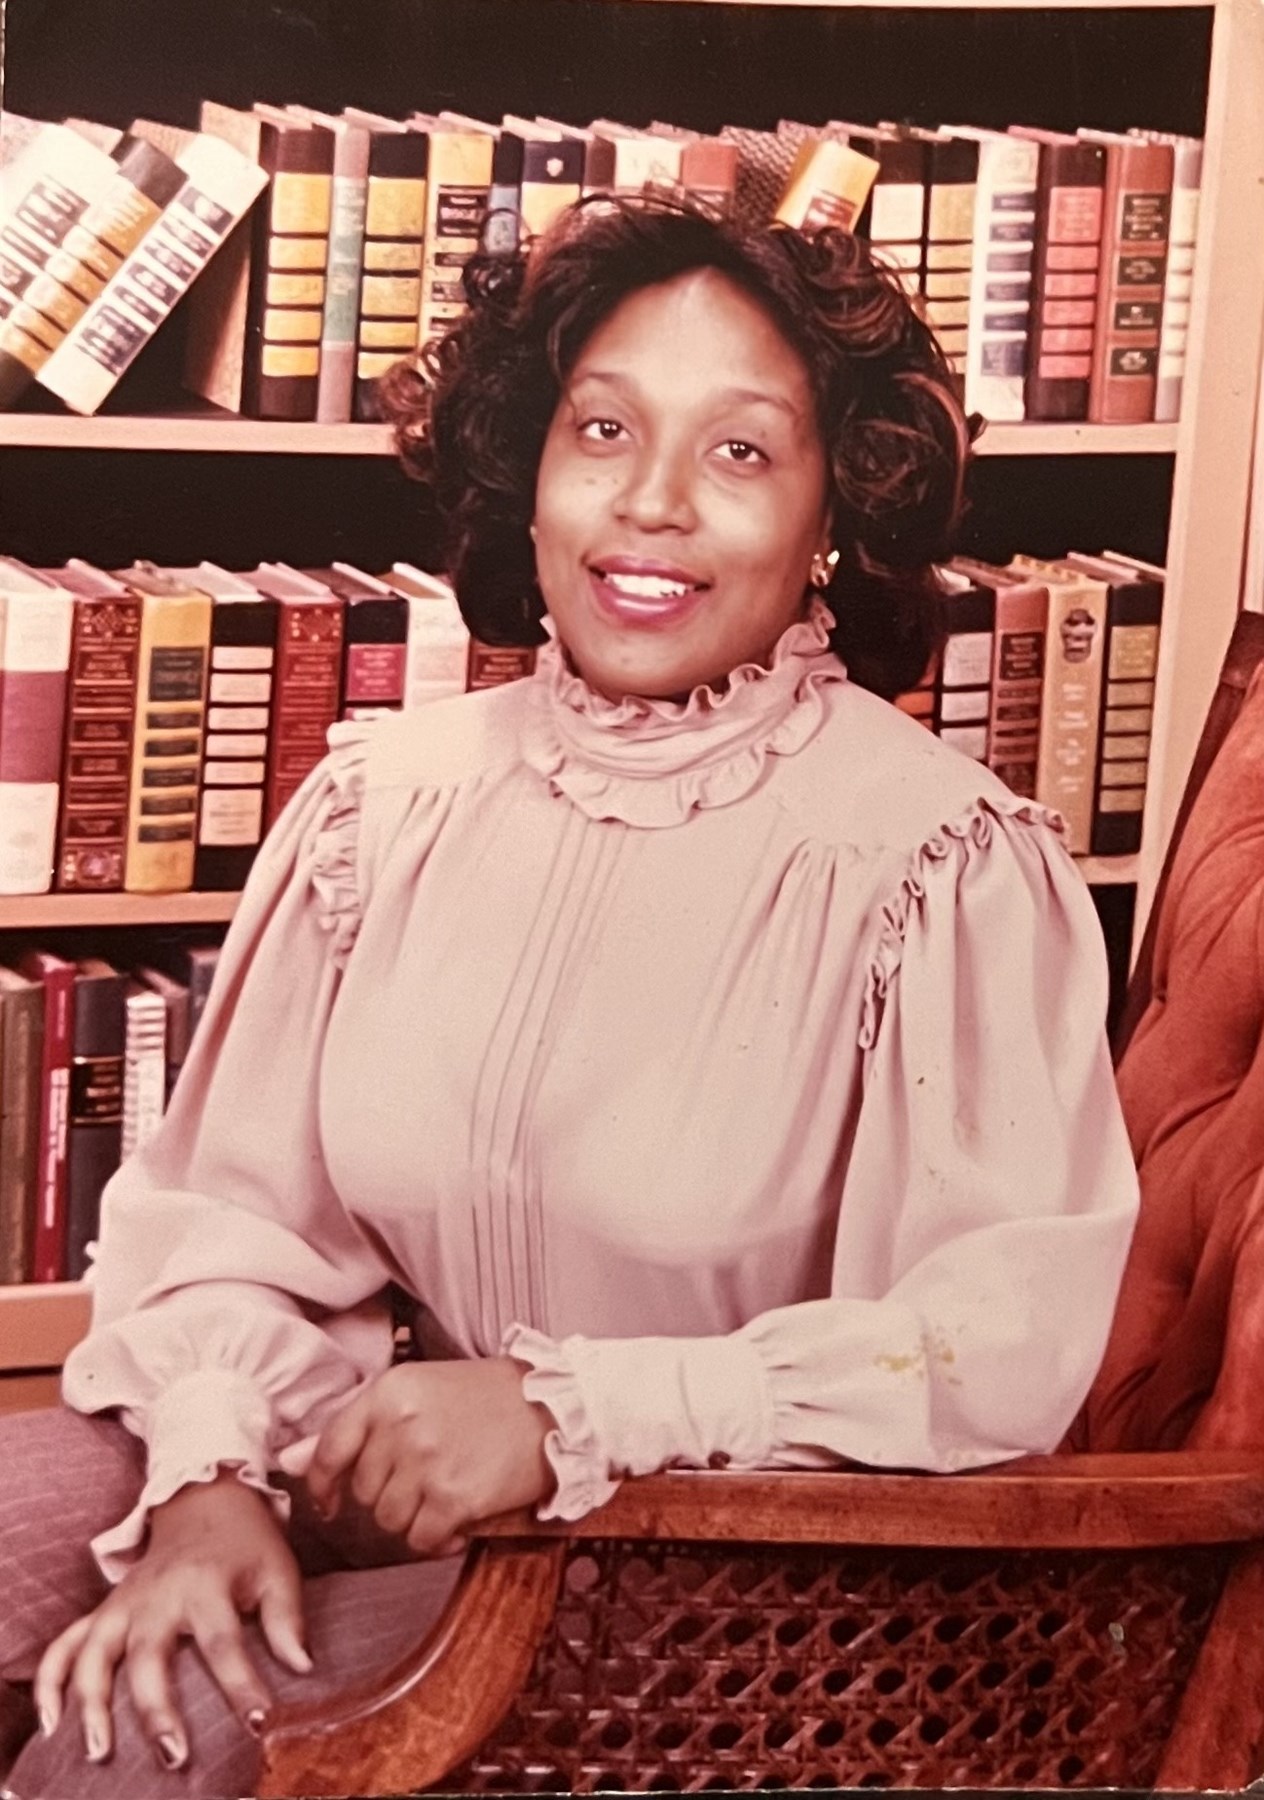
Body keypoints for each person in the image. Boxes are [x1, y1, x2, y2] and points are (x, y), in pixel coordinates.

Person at [0, 198, 1139, 1799]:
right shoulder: (380, 808)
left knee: (134, 1743)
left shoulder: (939, 867)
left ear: (832, 510)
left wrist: (565, 1414)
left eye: (739, 452)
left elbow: (985, 1348)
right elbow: (239, 1223)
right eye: (603, 429)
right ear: (527, 471)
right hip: (404, 1486)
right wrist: (208, 1486)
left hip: (743, 1576)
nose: (651, 503)